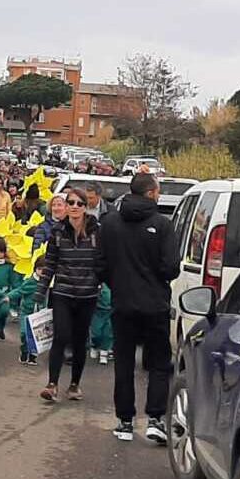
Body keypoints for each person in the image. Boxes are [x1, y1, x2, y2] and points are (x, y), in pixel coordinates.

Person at [97, 172, 179, 444]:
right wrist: (155, 276)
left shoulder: (109, 224)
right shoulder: (162, 224)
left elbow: (101, 264)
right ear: (151, 193)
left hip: (122, 303)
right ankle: (155, 420)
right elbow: (171, 268)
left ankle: (124, 421)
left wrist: (118, 282)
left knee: (124, 362)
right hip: (155, 304)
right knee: (158, 362)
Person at [34, 187, 102, 403]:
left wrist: (100, 282)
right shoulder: (57, 231)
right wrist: (41, 289)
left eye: (79, 204)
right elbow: (50, 263)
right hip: (62, 291)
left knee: (80, 340)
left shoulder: (96, 231)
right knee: (61, 336)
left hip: (87, 294)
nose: (74, 207)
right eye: (70, 203)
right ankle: (52, 384)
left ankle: (74, 384)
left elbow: (104, 261)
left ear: (85, 207)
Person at [6, 261, 40, 365]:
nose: (42, 272)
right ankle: (24, 350)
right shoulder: (30, 282)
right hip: (27, 312)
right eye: (40, 269)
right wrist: (8, 296)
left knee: (37, 336)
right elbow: (19, 291)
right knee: (24, 333)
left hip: (39, 313)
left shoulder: (48, 283)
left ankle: (33, 356)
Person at [90, 283, 113, 365]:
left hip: (110, 310)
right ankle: (95, 345)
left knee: (108, 333)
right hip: (97, 311)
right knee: (96, 333)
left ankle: (104, 353)